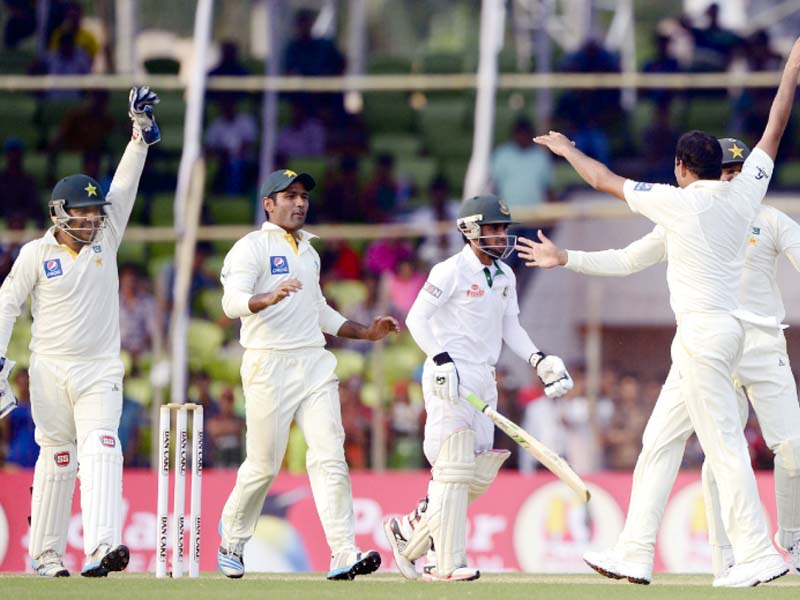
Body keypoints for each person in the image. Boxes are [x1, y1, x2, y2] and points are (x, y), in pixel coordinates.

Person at [527, 38, 800, 588]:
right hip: (715, 336)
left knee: (722, 446)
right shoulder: (747, 195)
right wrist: (792, 67)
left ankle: (756, 553)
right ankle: (635, 550)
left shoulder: (679, 203)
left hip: (705, 335)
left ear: (681, 167)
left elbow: (603, 180)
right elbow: (774, 125)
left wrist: (567, 150)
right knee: (659, 442)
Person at [0, 86, 160, 577]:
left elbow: (125, 186)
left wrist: (139, 135)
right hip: (49, 370)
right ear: (59, 214)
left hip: (99, 368)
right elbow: (6, 303)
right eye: (83, 212)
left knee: (101, 446)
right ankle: (45, 556)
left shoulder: (106, 239)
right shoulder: (35, 254)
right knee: (58, 457)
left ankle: (101, 547)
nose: (92, 218)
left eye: (95, 212)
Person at [216, 168, 400, 580]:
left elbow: (319, 312)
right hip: (268, 361)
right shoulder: (251, 247)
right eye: (289, 196)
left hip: (314, 363)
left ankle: (342, 551)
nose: (300, 203)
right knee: (263, 465)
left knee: (329, 455)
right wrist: (267, 297)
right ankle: (233, 538)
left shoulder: (309, 251)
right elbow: (232, 303)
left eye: (303, 196)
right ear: (268, 203)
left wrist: (365, 332)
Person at [382, 194, 573, 582]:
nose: (501, 236)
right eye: (493, 229)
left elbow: (510, 328)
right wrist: (440, 359)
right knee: (452, 466)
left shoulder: (505, 276)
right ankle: (445, 563)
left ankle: (410, 530)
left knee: (478, 470)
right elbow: (417, 318)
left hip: (484, 377)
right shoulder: (449, 271)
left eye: (503, 228)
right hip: (449, 374)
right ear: (470, 230)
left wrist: (539, 360)